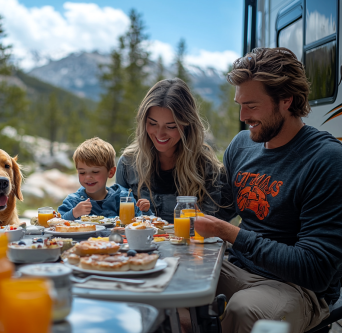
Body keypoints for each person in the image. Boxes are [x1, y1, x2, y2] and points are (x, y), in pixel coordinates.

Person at [195, 47, 342, 332]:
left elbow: (315, 270)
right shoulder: (241, 145)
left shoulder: (326, 159)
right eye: (240, 104)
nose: (243, 115)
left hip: (297, 288)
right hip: (237, 266)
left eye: (251, 105)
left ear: (286, 100)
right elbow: (219, 210)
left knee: (243, 310)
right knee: (170, 284)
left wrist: (230, 234)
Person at [116, 78, 223, 222]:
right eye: (152, 123)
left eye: (171, 126)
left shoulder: (206, 167)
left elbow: (213, 227)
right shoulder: (127, 164)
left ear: (187, 125)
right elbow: (117, 219)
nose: (160, 134)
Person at [58, 137, 152, 221]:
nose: (88, 177)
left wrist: (145, 211)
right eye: (82, 172)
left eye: (95, 172)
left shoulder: (123, 198)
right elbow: (57, 224)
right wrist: (74, 213)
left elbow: (140, 223)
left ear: (110, 172)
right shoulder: (73, 201)